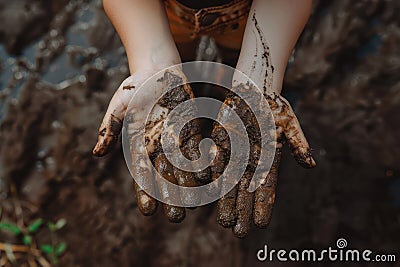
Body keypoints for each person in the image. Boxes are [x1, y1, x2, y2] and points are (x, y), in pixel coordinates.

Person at [93, 0, 316, 238]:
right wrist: (155, 65)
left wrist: (258, 74)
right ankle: (187, 80)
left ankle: (233, 78)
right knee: (180, 57)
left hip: (256, 15)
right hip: (161, 12)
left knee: (237, 55)